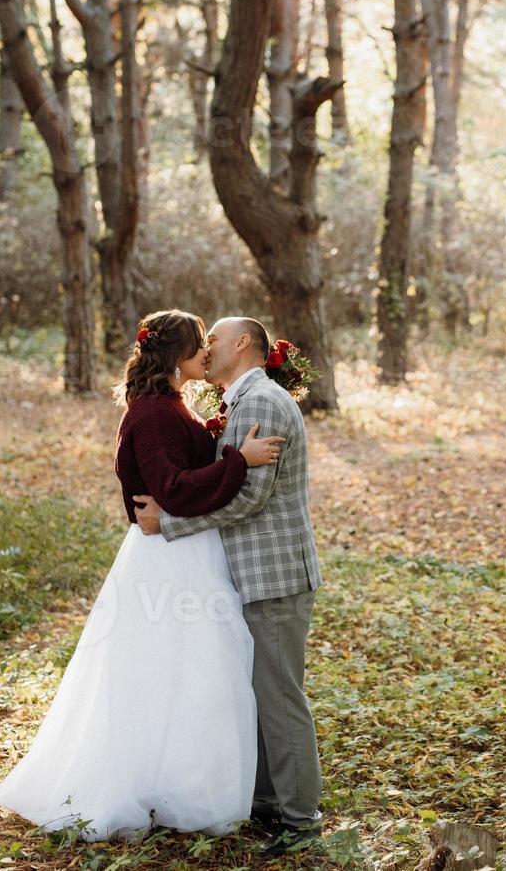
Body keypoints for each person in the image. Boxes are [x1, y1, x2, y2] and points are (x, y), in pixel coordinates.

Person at [0, 309, 285, 841]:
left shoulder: (172, 404)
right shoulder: (152, 412)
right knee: (161, 671)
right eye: (200, 343)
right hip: (166, 562)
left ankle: (176, 782)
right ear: (177, 354)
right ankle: (138, 785)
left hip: (188, 553)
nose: (207, 351)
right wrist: (239, 460)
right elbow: (172, 490)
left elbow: (184, 474)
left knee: (192, 673)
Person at [134, 316, 323, 857]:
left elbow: (248, 499)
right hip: (253, 574)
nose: (206, 346)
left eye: (213, 337)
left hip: (275, 573)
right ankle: (268, 803)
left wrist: (167, 524)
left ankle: (299, 819)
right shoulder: (242, 401)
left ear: (243, 343)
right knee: (260, 691)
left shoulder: (261, 401)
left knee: (280, 694)